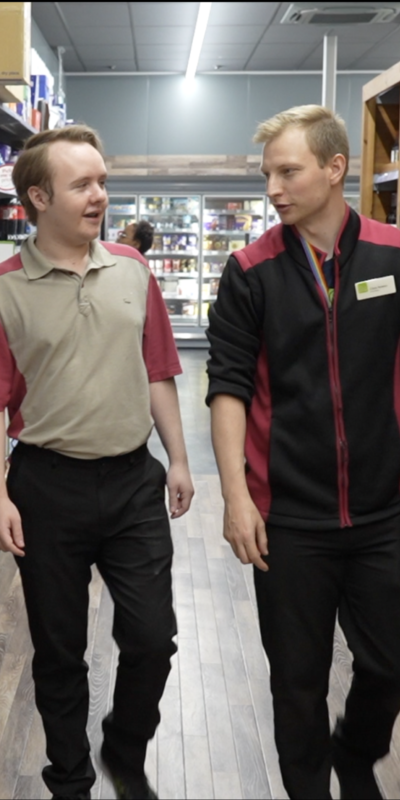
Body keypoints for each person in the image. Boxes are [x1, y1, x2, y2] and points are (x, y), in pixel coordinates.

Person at [206, 104, 400, 800]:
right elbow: (226, 386)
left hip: (384, 511)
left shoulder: (391, 254)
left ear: (335, 168)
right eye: (268, 174)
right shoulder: (249, 271)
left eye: (288, 171)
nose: (273, 188)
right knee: (296, 683)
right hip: (289, 519)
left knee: (389, 664)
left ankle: (357, 753)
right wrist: (236, 498)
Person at [0, 124, 194, 800]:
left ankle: (125, 743)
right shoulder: (4, 289)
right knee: (59, 652)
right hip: (46, 486)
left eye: (102, 181)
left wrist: (177, 459)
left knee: (152, 638)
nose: (99, 196)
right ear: (37, 196)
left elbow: (160, 370)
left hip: (132, 479)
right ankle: (70, 781)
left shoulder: (133, 271)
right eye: (82, 184)